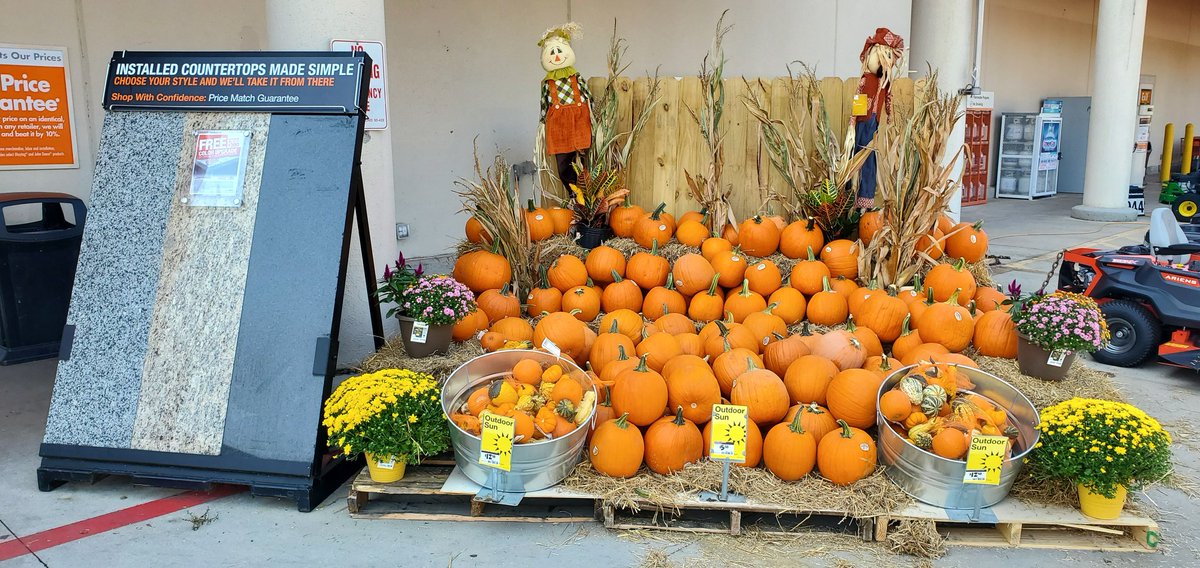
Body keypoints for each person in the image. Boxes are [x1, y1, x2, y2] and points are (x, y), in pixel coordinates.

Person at [852, 28, 906, 209]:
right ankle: (851, 197)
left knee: (869, 160)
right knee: (856, 157)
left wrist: (890, 117)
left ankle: (865, 200)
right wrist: (853, 120)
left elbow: (888, 100)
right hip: (862, 123)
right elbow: (858, 100)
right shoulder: (866, 79)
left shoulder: (885, 83)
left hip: (873, 124)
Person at [538, 22, 591, 190]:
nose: (556, 56)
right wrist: (542, 123)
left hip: (579, 121)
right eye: (552, 52)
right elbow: (544, 104)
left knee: (585, 159)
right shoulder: (548, 83)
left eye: (559, 51)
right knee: (563, 164)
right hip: (559, 125)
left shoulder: (576, 78)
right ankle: (574, 193)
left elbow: (588, 97)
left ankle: (587, 193)